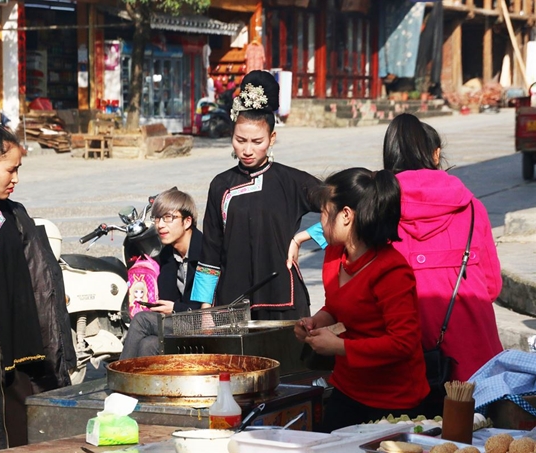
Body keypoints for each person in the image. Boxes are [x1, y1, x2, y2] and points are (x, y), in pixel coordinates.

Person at [0, 112, 75, 451]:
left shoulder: (14, 213)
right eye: (10, 169)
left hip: (24, 344)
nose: (16, 179)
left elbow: (43, 278)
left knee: (23, 429)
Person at [294, 167, 429, 432]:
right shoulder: (335, 253)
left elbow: (403, 342)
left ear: (346, 215)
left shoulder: (391, 270)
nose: (320, 222)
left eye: (323, 212)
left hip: (394, 399)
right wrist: (316, 321)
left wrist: (340, 347)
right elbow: (337, 305)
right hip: (348, 387)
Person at [191, 70, 321, 320]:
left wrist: (302, 238)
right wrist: (205, 307)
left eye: (257, 141)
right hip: (232, 305)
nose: (247, 149)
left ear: (272, 138)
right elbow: (210, 251)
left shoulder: (292, 181)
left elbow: (347, 208)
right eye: (240, 140)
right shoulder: (220, 185)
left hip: (285, 302)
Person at [383, 113, 503, 382]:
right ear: (435, 155)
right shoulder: (472, 207)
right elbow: (492, 285)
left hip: (403, 355)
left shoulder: (378, 210)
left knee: (403, 425)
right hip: (475, 353)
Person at [120, 188, 207, 359]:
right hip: (181, 322)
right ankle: (142, 384)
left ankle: (118, 379)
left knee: (142, 320)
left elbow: (207, 304)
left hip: (206, 322)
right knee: (149, 344)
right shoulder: (167, 254)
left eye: (168, 218)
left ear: (187, 221)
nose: (160, 225)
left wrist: (175, 308)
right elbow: (165, 298)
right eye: (157, 218)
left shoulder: (205, 252)